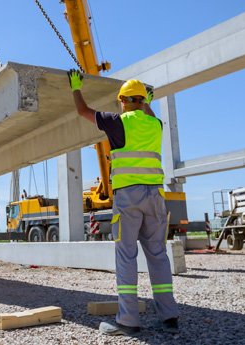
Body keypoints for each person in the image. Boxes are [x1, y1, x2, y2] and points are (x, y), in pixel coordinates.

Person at [67, 70, 180, 336]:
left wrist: (75, 87)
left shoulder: (117, 122)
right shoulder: (156, 124)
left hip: (128, 198)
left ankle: (128, 320)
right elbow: (149, 115)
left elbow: (83, 111)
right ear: (143, 101)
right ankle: (170, 316)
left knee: (127, 256)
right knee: (158, 256)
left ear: (122, 100)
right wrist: (148, 103)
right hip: (155, 197)